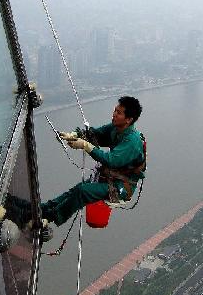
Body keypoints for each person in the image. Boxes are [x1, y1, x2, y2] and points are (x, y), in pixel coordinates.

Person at [40, 96, 145, 227]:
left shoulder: (132, 141)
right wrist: (73, 135)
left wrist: (85, 145)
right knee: (77, 189)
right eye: (115, 110)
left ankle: (51, 217)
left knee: (83, 191)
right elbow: (95, 134)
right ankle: (44, 209)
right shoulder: (116, 129)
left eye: (119, 113)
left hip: (121, 187)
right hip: (112, 179)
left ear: (129, 120)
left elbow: (111, 160)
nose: (114, 114)